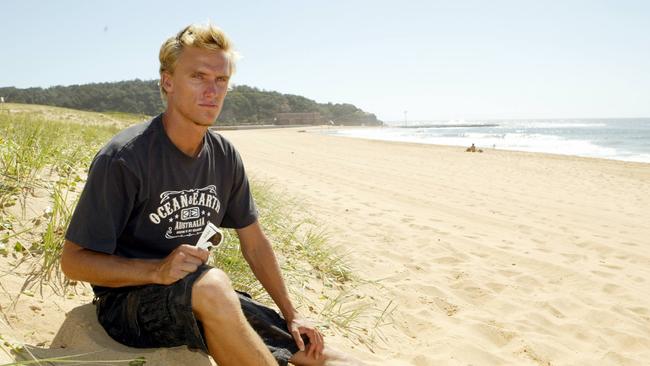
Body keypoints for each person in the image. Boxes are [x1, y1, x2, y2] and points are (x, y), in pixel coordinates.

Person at [61, 23, 357, 366]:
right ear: (168, 82)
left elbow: (255, 244)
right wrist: (157, 271)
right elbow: (73, 262)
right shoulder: (125, 158)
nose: (211, 91)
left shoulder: (224, 156)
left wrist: (292, 313)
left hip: (200, 294)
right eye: (198, 77)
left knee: (318, 352)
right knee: (215, 285)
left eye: (221, 80)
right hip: (126, 306)